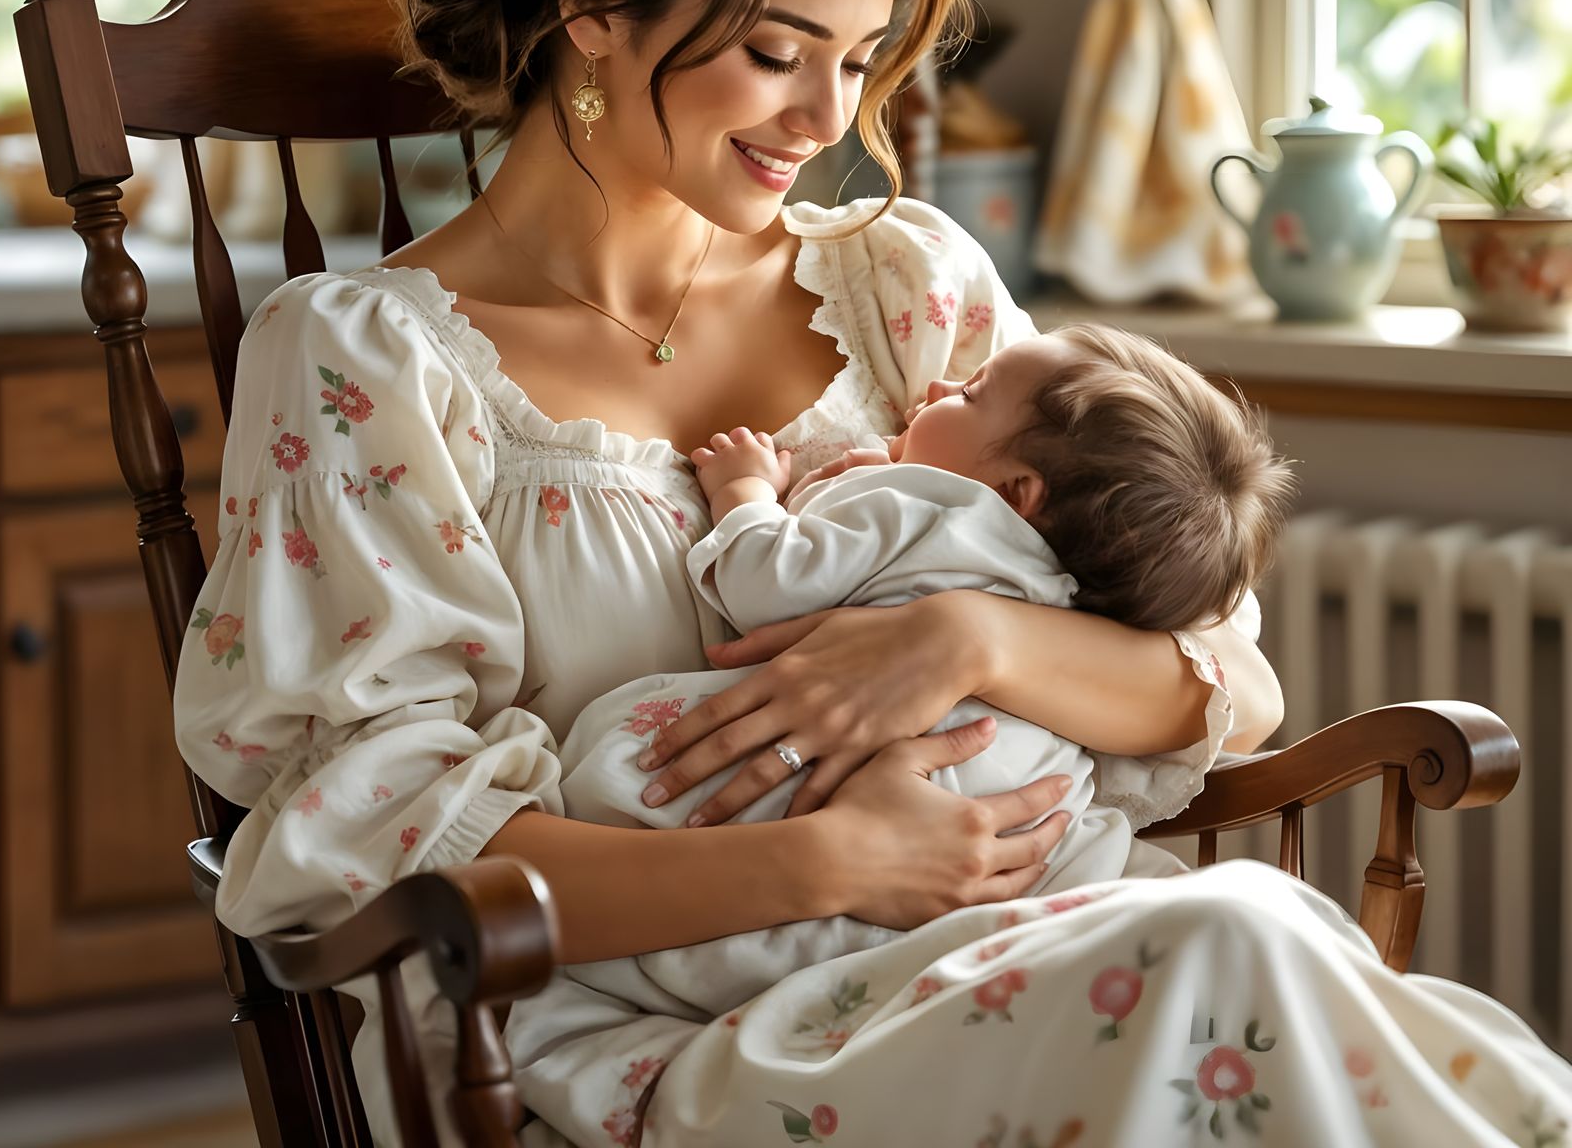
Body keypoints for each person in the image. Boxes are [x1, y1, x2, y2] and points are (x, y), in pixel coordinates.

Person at [171, 0, 1572, 1148]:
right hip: (660, 1038)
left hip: (1003, 957)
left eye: (856, 57)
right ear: (592, 14)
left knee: (1271, 949)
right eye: (778, 54)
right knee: (1231, 954)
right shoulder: (369, 364)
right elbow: (374, 839)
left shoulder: (903, 291)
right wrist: (832, 861)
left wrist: (966, 639)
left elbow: (1215, 677)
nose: (826, 120)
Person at [551, 324, 1295, 1023]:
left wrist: (750, 494)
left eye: (969, 394)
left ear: (1015, 493)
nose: (935, 388)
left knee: (611, 758)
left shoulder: (921, 500)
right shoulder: (1095, 571)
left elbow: (765, 582)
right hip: (1025, 828)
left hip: (881, 813)